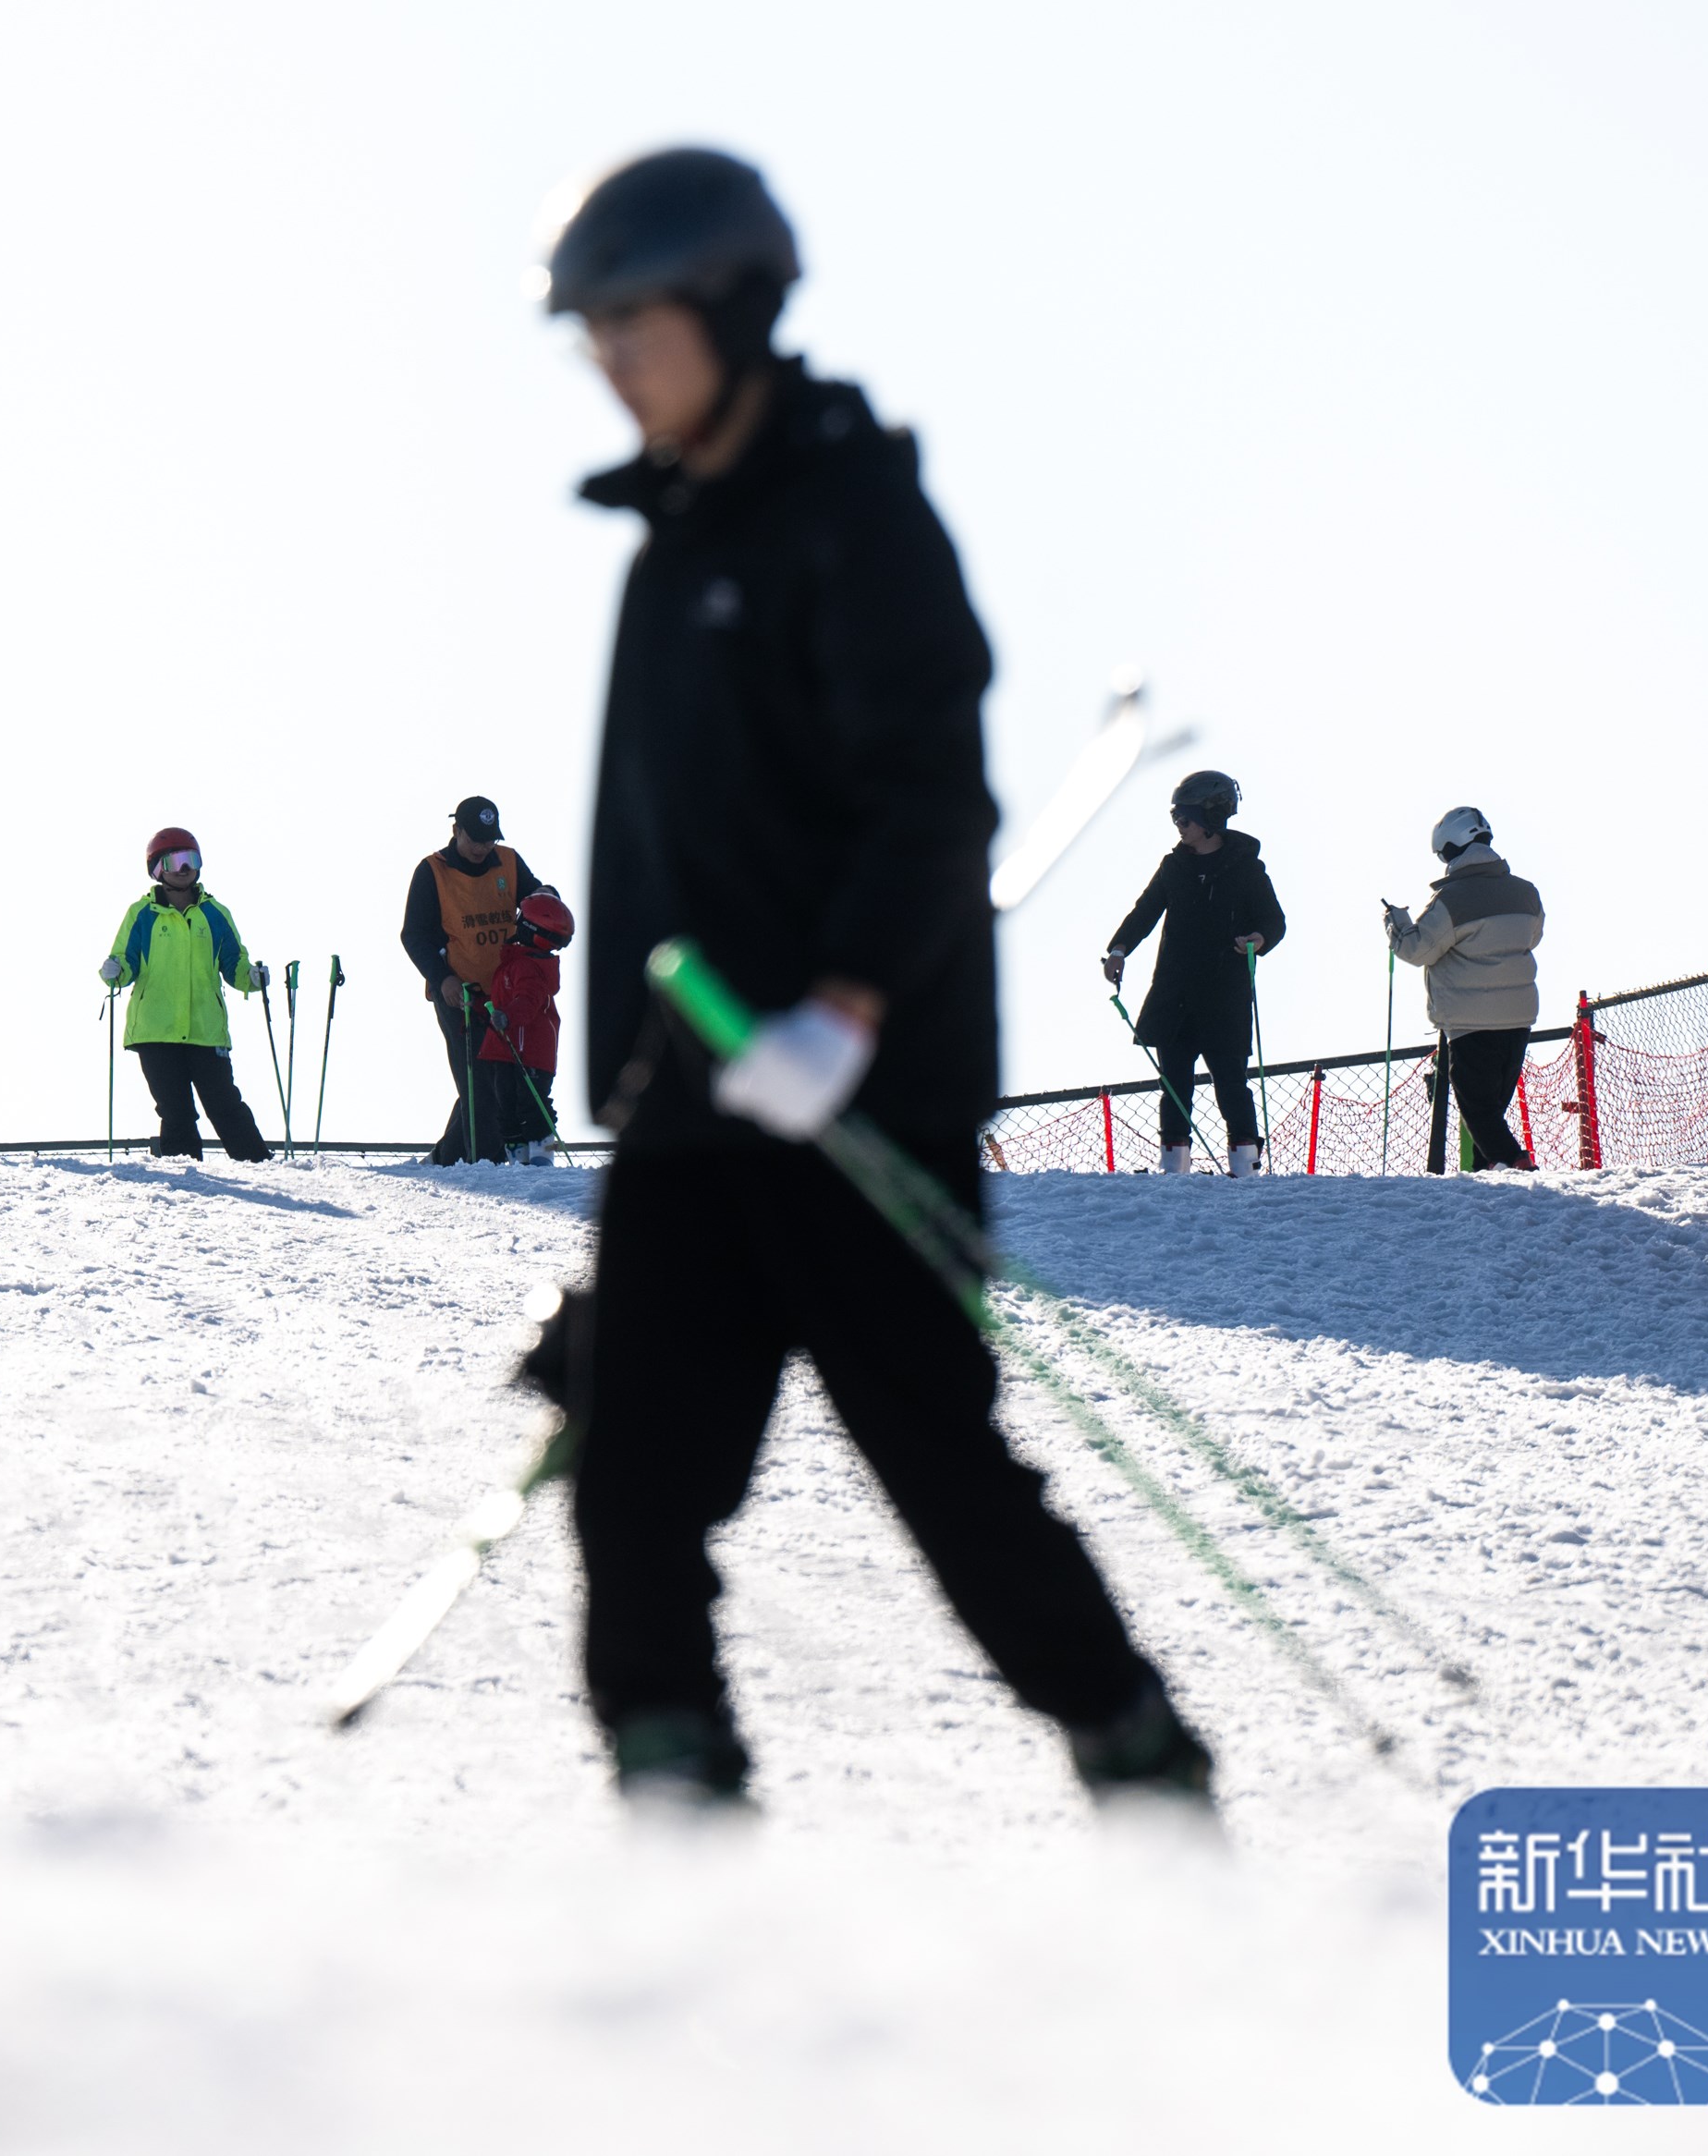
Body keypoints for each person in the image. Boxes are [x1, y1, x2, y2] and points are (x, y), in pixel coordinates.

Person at [548, 146, 1209, 1807]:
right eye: (592, 334)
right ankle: (676, 1795)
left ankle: (1137, 1752)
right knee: (630, 1464)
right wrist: (638, 1090)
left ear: (728, 309)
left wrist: (844, 1008)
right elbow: (655, 858)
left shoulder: (855, 516)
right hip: (702, 1097)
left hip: (862, 1095)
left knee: (930, 1453)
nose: (608, 361)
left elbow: (930, 793)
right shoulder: (662, 555)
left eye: (631, 324)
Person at [1103, 772, 1287, 1175]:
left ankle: (1245, 1168)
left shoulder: (1246, 868)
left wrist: (1258, 938)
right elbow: (1144, 912)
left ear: (1210, 818)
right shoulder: (1173, 867)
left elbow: (1274, 921)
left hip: (1225, 995)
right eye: (1176, 821)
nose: (1179, 829)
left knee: (1231, 1084)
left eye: (1184, 821)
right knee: (1173, 1086)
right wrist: (1118, 950)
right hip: (1175, 994)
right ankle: (1175, 1169)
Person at [1385, 807, 1544, 1173]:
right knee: (1492, 1108)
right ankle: (1488, 1168)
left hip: (1470, 1022)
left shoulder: (1452, 900)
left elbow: (1418, 949)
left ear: (1451, 849)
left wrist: (1396, 923)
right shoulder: (1527, 893)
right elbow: (1532, 937)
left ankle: (1515, 1163)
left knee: (1477, 1108)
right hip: (1519, 1017)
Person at [99, 827, 272, 1161]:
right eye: (175, 861)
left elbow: (234, 962)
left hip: (205, 1030)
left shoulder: (215, 914)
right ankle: (184, 1176)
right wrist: (114, 973)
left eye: (191, 860)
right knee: (175, 1110)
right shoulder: (142, 915)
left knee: (224, 1104)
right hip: (156, 1030)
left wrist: (252, 978)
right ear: (158, 868)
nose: (184, 869)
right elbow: (125, 961)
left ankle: (258, 1165)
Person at [399, 796, 545, 1164]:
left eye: (489, 839)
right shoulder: (432, 871)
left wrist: (549, 897)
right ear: (457, 831)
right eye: (476, 838)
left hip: (505, 993)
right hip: (459, 994)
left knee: (489, 1079)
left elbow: (535, 898)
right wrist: (442, 978)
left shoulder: (508, 862)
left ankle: (442, 1162)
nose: (483, 847)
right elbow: (413, 935)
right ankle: (487, 1164)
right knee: (481, 1080)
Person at [476, 890, 573, 1165]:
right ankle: (519, 1162)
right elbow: (505, 1000)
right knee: (507, 1108)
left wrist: (506, 1016)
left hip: (527, 1050)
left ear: (529, 928)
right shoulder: (515, 963)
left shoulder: (528, 966)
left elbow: (526, 1001)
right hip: (508, 1048)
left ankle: (542, 1161)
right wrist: (479, 1004)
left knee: (532, 1106)